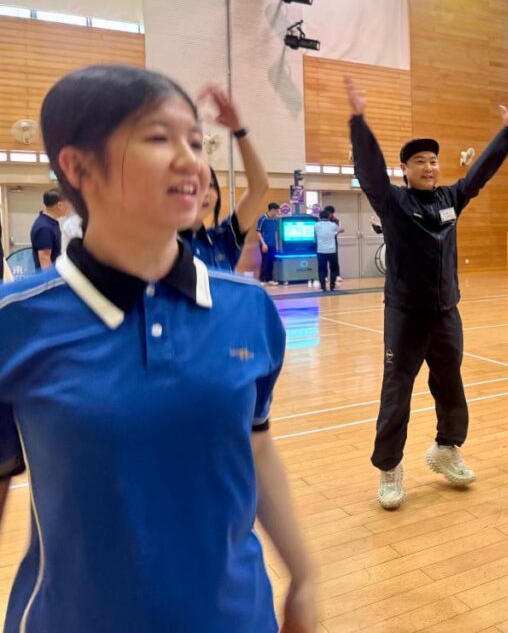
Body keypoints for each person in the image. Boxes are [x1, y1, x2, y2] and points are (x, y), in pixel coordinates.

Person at [0, 65, 315, 632]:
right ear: (78, 166)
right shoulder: (15, 322)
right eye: (158, 137)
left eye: (195, 141)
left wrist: (305, 575)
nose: (191, 160)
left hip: (237, 618)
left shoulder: (249, 309)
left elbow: (256, 446)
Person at [346, 76, 508, 511]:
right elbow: (368, 171)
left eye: (433, 161)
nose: (429, 167)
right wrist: (358, 122)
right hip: (405, 315)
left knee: (450, 385)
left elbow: (480, 173)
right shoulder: (392, 202)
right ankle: (390, 469)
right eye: (420, 162)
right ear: (405, 169)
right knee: (397, 392)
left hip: (447, 312)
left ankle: (446, 449)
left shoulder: (450, 197)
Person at [179, 86, 269, 273]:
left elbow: (259, 186)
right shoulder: (158, 244)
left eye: (210, 185)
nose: (205, 192)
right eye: (195, 185)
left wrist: (239, 131)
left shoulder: (223, 240)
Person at [30, 188, 66, 270]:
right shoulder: (45, 228)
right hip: (50, 276)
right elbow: (45, 260)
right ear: (60, 205)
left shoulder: (50, 223)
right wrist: (52, 278)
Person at [314, 211, 341, 291]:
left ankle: (323, 286)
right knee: (333, 268)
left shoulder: (316, 225)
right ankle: (332, 286)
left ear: (319, 217)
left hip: (321, 250)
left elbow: (315, 235)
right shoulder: (333, 225)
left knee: (322, 269)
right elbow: (338, 231)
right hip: (332, 250)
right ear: (329, 216)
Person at [256, 203, 281, 284]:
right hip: (265, 244)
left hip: (273, 244)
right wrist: (263, 244)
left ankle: (269, 279)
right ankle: (261, 279)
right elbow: (258, 232)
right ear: (272, 210)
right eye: (276, 210)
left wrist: (277, 245)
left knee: (271, 262)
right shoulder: (262, 219)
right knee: (265, 262)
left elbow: (276, 233)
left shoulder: (275, 220)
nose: (277, 212)